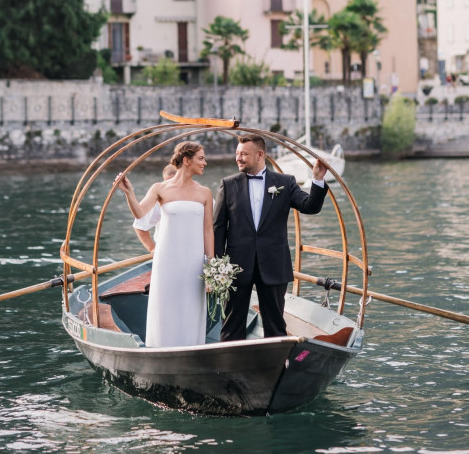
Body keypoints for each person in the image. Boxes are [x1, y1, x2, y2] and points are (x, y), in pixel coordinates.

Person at [213, 133, 328, 342]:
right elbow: (218, 228)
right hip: (235, 266)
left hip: (274, 263)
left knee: (275, 323)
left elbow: (310, 207)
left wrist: (317, 180)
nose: (238, 158)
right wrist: (218, 265)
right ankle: (228, 365)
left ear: (260, 154)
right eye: (237, 154)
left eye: (244, 154)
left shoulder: (285, 182)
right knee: (231, 322)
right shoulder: (228, 184)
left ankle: (276, 365)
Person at [116, 141, 214, 347]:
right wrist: (129, 193)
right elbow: (140, 213)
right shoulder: (159, 188)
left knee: (191, 307)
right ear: (187, 160)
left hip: (194, 260)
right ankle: (161, 349)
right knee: (166, 307)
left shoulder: (205, 192)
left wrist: (211, 266)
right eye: (201, 158)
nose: (205, 162)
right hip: (167, 259)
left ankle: (192, 349)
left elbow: (208, 230)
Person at [133, 163, 177, 252]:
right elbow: (140, 225)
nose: (169, 185)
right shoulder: (159, 198)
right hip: (166, 249)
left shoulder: (200, 193)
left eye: (173, 181)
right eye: (166, 182)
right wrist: (152, 248)